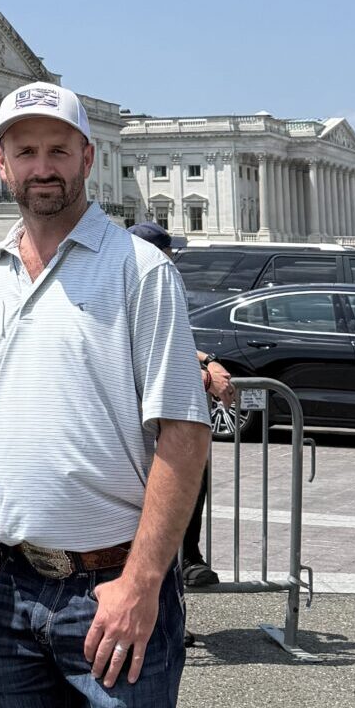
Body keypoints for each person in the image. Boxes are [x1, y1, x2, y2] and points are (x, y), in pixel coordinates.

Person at [0, 83, 212, 708]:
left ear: (88, 159)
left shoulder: (140, 269)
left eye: (58, 150)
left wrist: (141, 582)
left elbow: (184, 431)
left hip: (112, 585)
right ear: (1, 162)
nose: (43, 167)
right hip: (16, 586)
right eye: (26, 151)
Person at [129, 220, 232, 591]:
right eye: (169, 252)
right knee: (167, 490)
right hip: (140, 423)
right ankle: (178, 567)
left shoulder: (155, 281)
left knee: (190, 480)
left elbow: (177, 341)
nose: (172, 259)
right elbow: (150, 351)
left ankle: (187, 558)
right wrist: (203, 376)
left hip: (159, 421)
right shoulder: (139, 281)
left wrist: (207, 361)